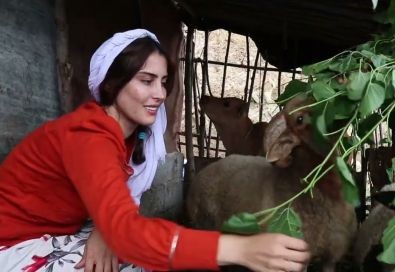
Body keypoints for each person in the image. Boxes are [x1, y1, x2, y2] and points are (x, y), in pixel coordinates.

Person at [0, 29, 311, 272]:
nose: (160, 94)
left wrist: (106, 229)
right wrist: (238, 250)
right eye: (146, 81)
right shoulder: (88, 137)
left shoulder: (131, 138)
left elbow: (114, 207)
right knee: (134, 257)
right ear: (112, 85)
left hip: (55, 231)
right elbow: (126, 229)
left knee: (145, 256)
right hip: (12, 240)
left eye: (164, 82)